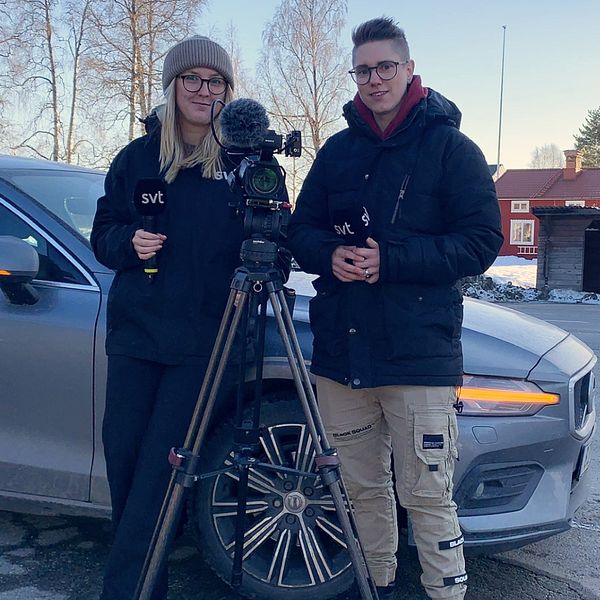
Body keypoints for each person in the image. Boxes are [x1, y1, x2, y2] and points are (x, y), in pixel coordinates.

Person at [287, 17, 503, 600]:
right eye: (363, 70)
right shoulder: (337, 151)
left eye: (386, 66)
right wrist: (329, 256)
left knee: (428, 497)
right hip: (344, 355)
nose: (375, 79)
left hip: (418, 356)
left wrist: (395, 261)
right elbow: (298, 230)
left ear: (409, 69)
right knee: (359, 492)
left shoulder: (452, 149)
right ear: (354, 78)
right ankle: (373, 587)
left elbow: (483, 242)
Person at [91, 35, 280, 600]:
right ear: (172, 87)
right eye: (192, 79)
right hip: (136, 338)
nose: (204, 91)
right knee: (124, 462)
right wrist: (130, 241)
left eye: (215, 81)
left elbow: (275, 240)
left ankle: (126, 592)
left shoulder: (247, 165)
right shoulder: (136, 159)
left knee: (159, 474)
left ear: (228, 91)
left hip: (205, 344)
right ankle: (149, 584)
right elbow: (103, 234)